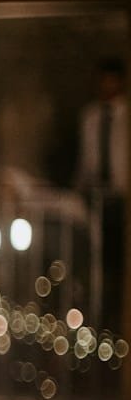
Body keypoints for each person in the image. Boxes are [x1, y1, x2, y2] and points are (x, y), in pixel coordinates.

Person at [77, 57, 128, 322]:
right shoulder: (91, 116)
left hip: (122, 197)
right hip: (96, 196)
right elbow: (87, 158)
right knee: (97, 260)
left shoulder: (125, 115)